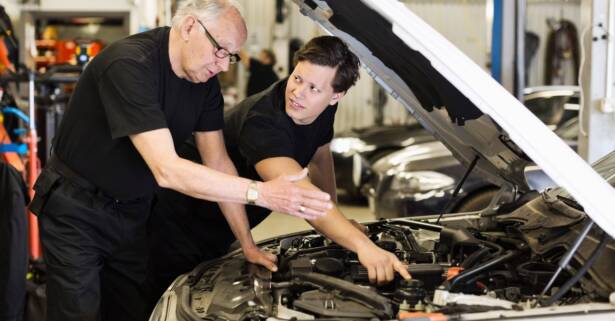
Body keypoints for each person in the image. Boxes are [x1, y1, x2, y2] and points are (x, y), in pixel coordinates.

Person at [27, 1, 332, 321]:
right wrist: (262, 192)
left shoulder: (204, 85)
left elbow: (218, 161)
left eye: (230, 56)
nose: (224, 65)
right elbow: (167, 169)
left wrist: (247, 244)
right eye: (220, 50)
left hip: (132, 211)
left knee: (133, 309)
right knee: (78, 312)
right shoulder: (129, 65)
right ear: (189, 27)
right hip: (77, 210)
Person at [144, 35, 412, 312]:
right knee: (166, 304)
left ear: (336, 96)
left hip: (225, 221)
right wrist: (363, 247)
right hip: (176, 220)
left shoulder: (320, 109)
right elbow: (302, 197)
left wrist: (339, 225)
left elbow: (320, 157)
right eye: (297, 79)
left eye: (313, 88)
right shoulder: (263, 122)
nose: (298, 93)